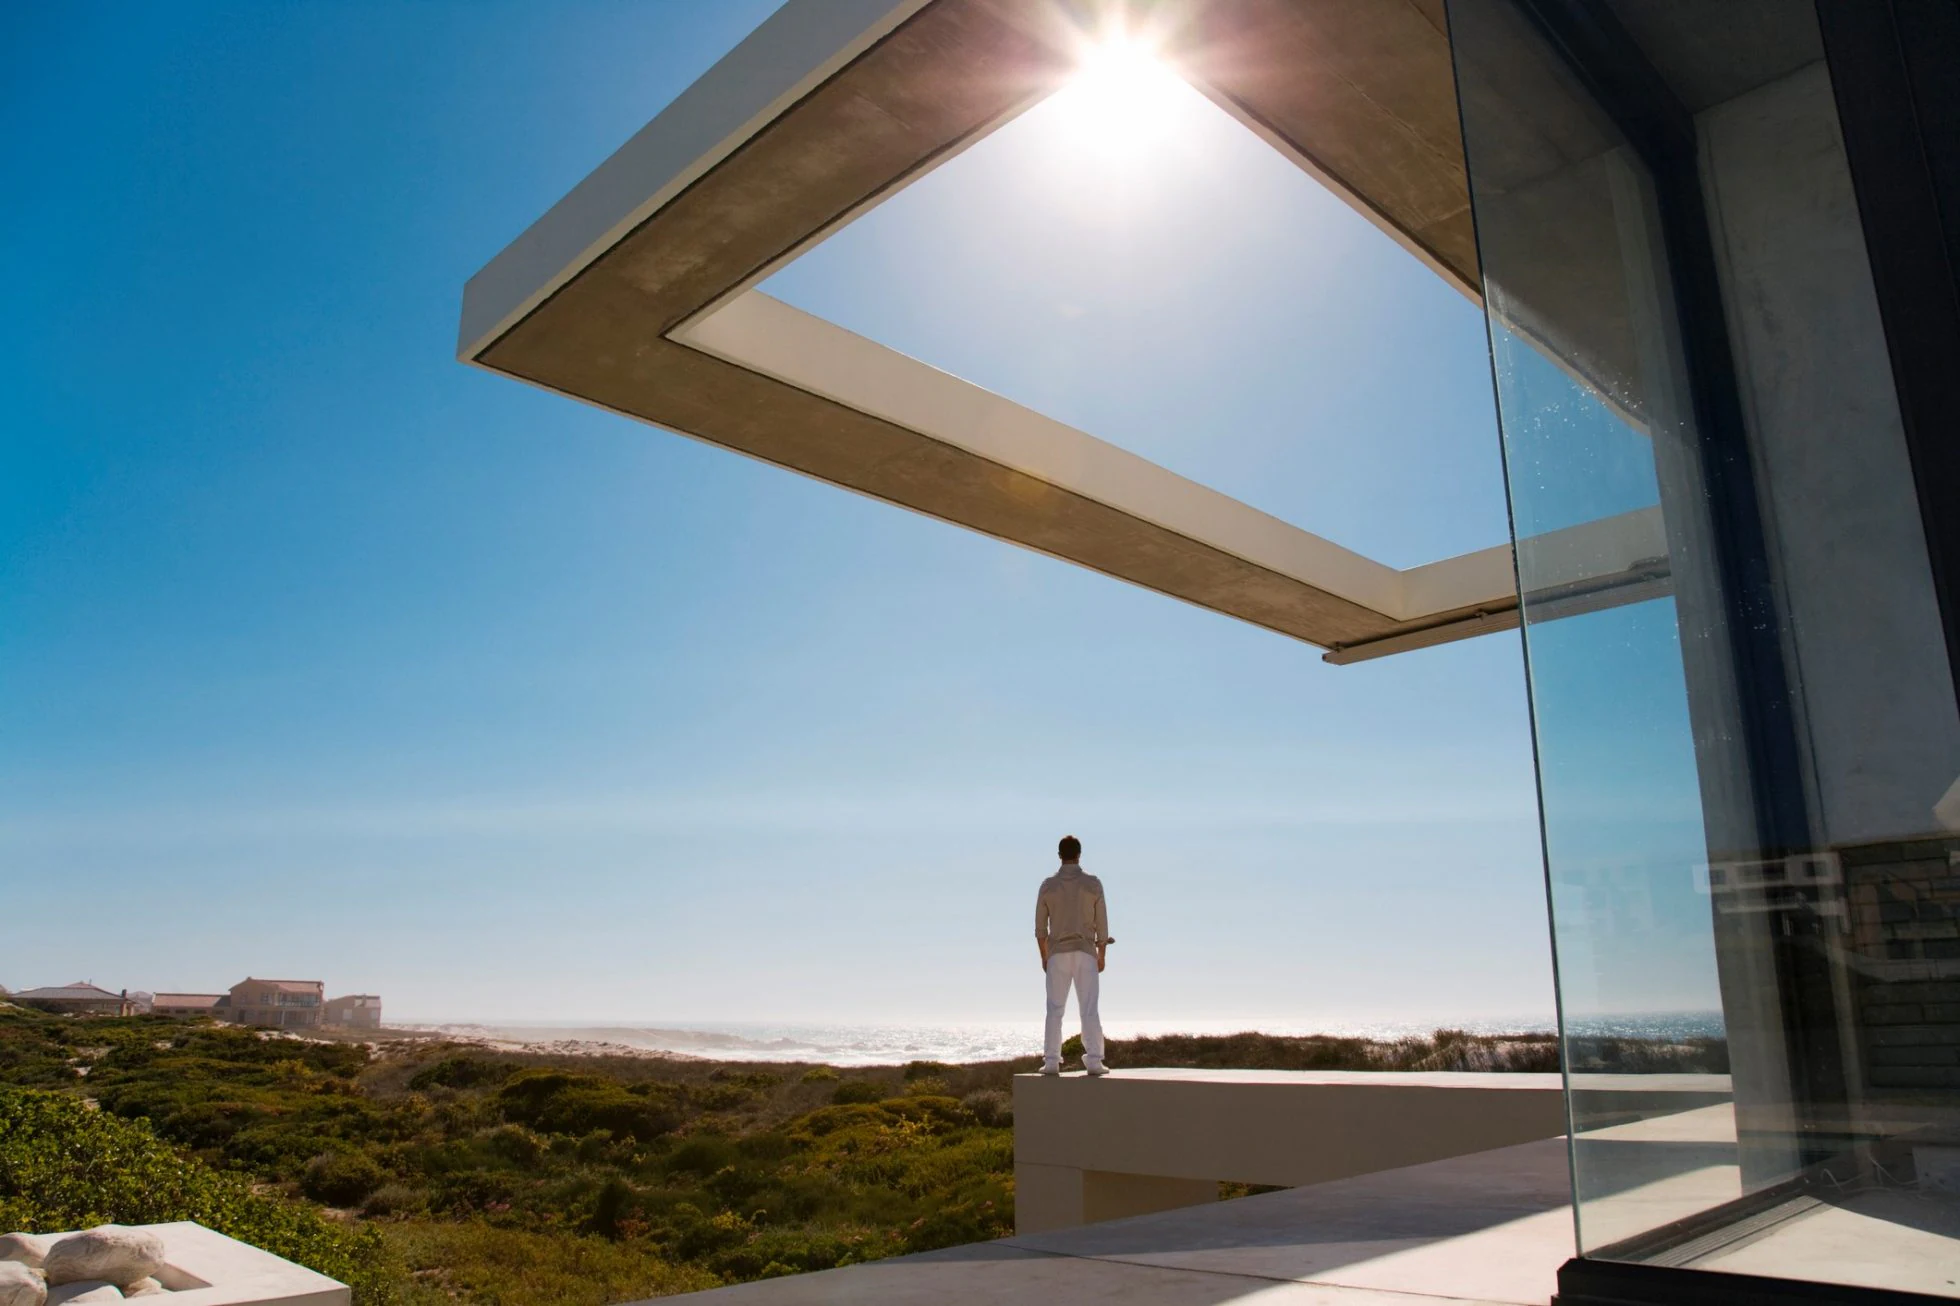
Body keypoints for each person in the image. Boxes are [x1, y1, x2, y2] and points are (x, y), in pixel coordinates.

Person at [1034, 834, 1111, 1076]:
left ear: (1059, 856)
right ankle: (1095, 1061)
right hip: (1086, 952)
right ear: (1079, 854)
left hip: (1058, 953)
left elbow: (1040, 929)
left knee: (1055, 1008)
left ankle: (1052, 1060)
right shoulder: (1093, 884)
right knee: (1089, 1007)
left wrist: (1044, 956)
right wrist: (1102, 955)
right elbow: (1102, 925)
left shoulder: (1048, 885)